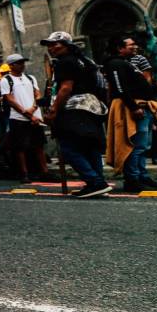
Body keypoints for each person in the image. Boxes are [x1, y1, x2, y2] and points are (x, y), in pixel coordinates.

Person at [41, 32, 111, 197]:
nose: (51, 48)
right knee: (90, 147)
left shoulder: (64, 62)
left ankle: (95, 182)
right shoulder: (86, 61)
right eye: (49, 45)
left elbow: (66, 88)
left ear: (67, 45)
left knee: (68, 148)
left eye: (55, 44)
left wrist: (53, 110)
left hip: (74, 109)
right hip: (92, 108)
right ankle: (98, 184)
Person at [104, 36, 157, 191]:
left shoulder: (126, 63)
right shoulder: (115, 63)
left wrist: (156, 87)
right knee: (135, 146)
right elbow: (120, 87)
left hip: (142, 106)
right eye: (131, 45)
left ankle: (142, 177)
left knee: (143, 146)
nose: (135, 46)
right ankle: (132, 180)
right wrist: (133, 107)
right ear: (120, 48)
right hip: (134, 108)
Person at [0, 53, 49, 183]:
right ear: (11, 65)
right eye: (19, 63)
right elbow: (10, 100)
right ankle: (24, 174)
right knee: (20, 147)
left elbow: (37, 94)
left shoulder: (30, 78)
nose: (22, 65)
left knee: (39, 145)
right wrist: (28, 114)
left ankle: (45, 172)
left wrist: (33, 108)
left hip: (35, 116)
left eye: (23, 62)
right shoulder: (6, 80)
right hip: (18, 118)